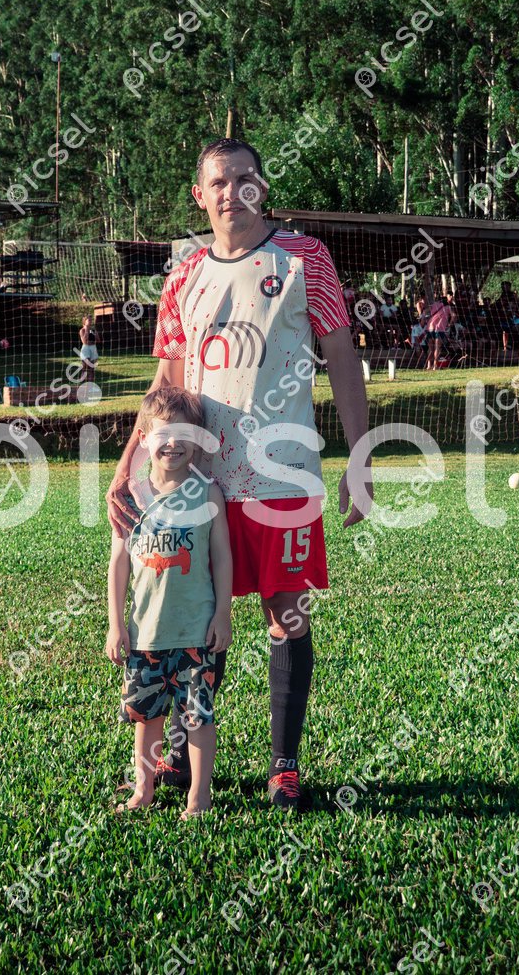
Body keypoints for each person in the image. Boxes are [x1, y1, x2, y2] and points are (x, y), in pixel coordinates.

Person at [106, 137, 372, 810]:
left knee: (286, 614)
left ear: (262, 187)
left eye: (244, 179)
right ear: (200, 196)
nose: (232, 192)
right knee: (194, 615)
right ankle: (176, 755)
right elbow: (165, 383)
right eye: (218, 183)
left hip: (283, 476)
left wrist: (360, 454)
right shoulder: (183, 275)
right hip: (198, 483)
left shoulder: (306, 259)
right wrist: (128, 463)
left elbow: (341, 355)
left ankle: (284, 766)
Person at [106, 386, 232, 819]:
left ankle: (199, 796)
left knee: (198, 718)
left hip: (196, 631)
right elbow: (118, 564)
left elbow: (222, 559)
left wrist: (223, 614)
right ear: (143, 438)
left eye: (184, 434)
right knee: (146, 718)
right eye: (163, 433)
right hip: (145, 634)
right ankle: (144, 790)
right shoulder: (131, 498)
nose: (173, 443)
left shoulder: (208, 494)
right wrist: (115, 624)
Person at [425, 299, 452, 370]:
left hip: (430, 327)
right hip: (440, 328)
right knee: (437, 348)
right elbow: (454, 315)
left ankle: (428, 366)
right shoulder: (448, 307)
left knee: (430, 349)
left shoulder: (434, 304)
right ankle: (435, 366)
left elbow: (425, 311)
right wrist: (450, 324)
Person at [79, 314, 100, 379]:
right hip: (85, 349)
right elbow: (84, 342)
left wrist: (95, 336)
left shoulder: (93, 330)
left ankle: (91, 382)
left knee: (91, 368)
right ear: (84, 321)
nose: (90, 322)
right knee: (85, 366)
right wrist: (87, 330)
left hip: (93, 348)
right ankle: (82, 381)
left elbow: (98, 340)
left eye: (91, 320)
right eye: (89, 320)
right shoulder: (82, 330)